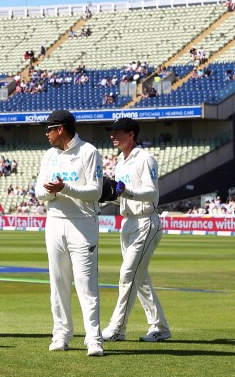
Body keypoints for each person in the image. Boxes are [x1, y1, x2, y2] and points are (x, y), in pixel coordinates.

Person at [35, 110, 104, 356]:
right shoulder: (49, 155)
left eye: (49, 129)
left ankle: (94, 339)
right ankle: (61, 334)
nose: (46, 134)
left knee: (86, 285)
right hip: (54, 222)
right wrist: (55, 192)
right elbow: (39, 192)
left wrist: (65, 188)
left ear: (61, 128)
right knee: (58, 283)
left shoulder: (89, 152)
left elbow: (95, 191)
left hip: (82, 223)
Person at [101, 118, 171, 343]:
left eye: (117, 132)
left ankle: (117, 328)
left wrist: (126, 191)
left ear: (131, 134)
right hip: (128, 222)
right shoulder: (120, 162)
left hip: (146, 221)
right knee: (139, 279)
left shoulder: (145, 158)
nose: (113, 136)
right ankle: (160, 327)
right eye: (112, 132)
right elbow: (121, 192)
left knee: (128, 275)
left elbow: (151, 193)